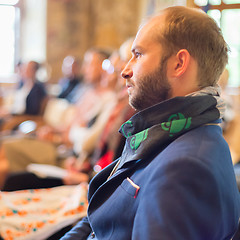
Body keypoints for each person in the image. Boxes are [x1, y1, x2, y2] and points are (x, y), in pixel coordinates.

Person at [60, 6, 240, 240]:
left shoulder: (184, 168)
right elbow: (101, 214)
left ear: (179, 64)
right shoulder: (162, 131)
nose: (125, 70)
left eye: (138, 54)